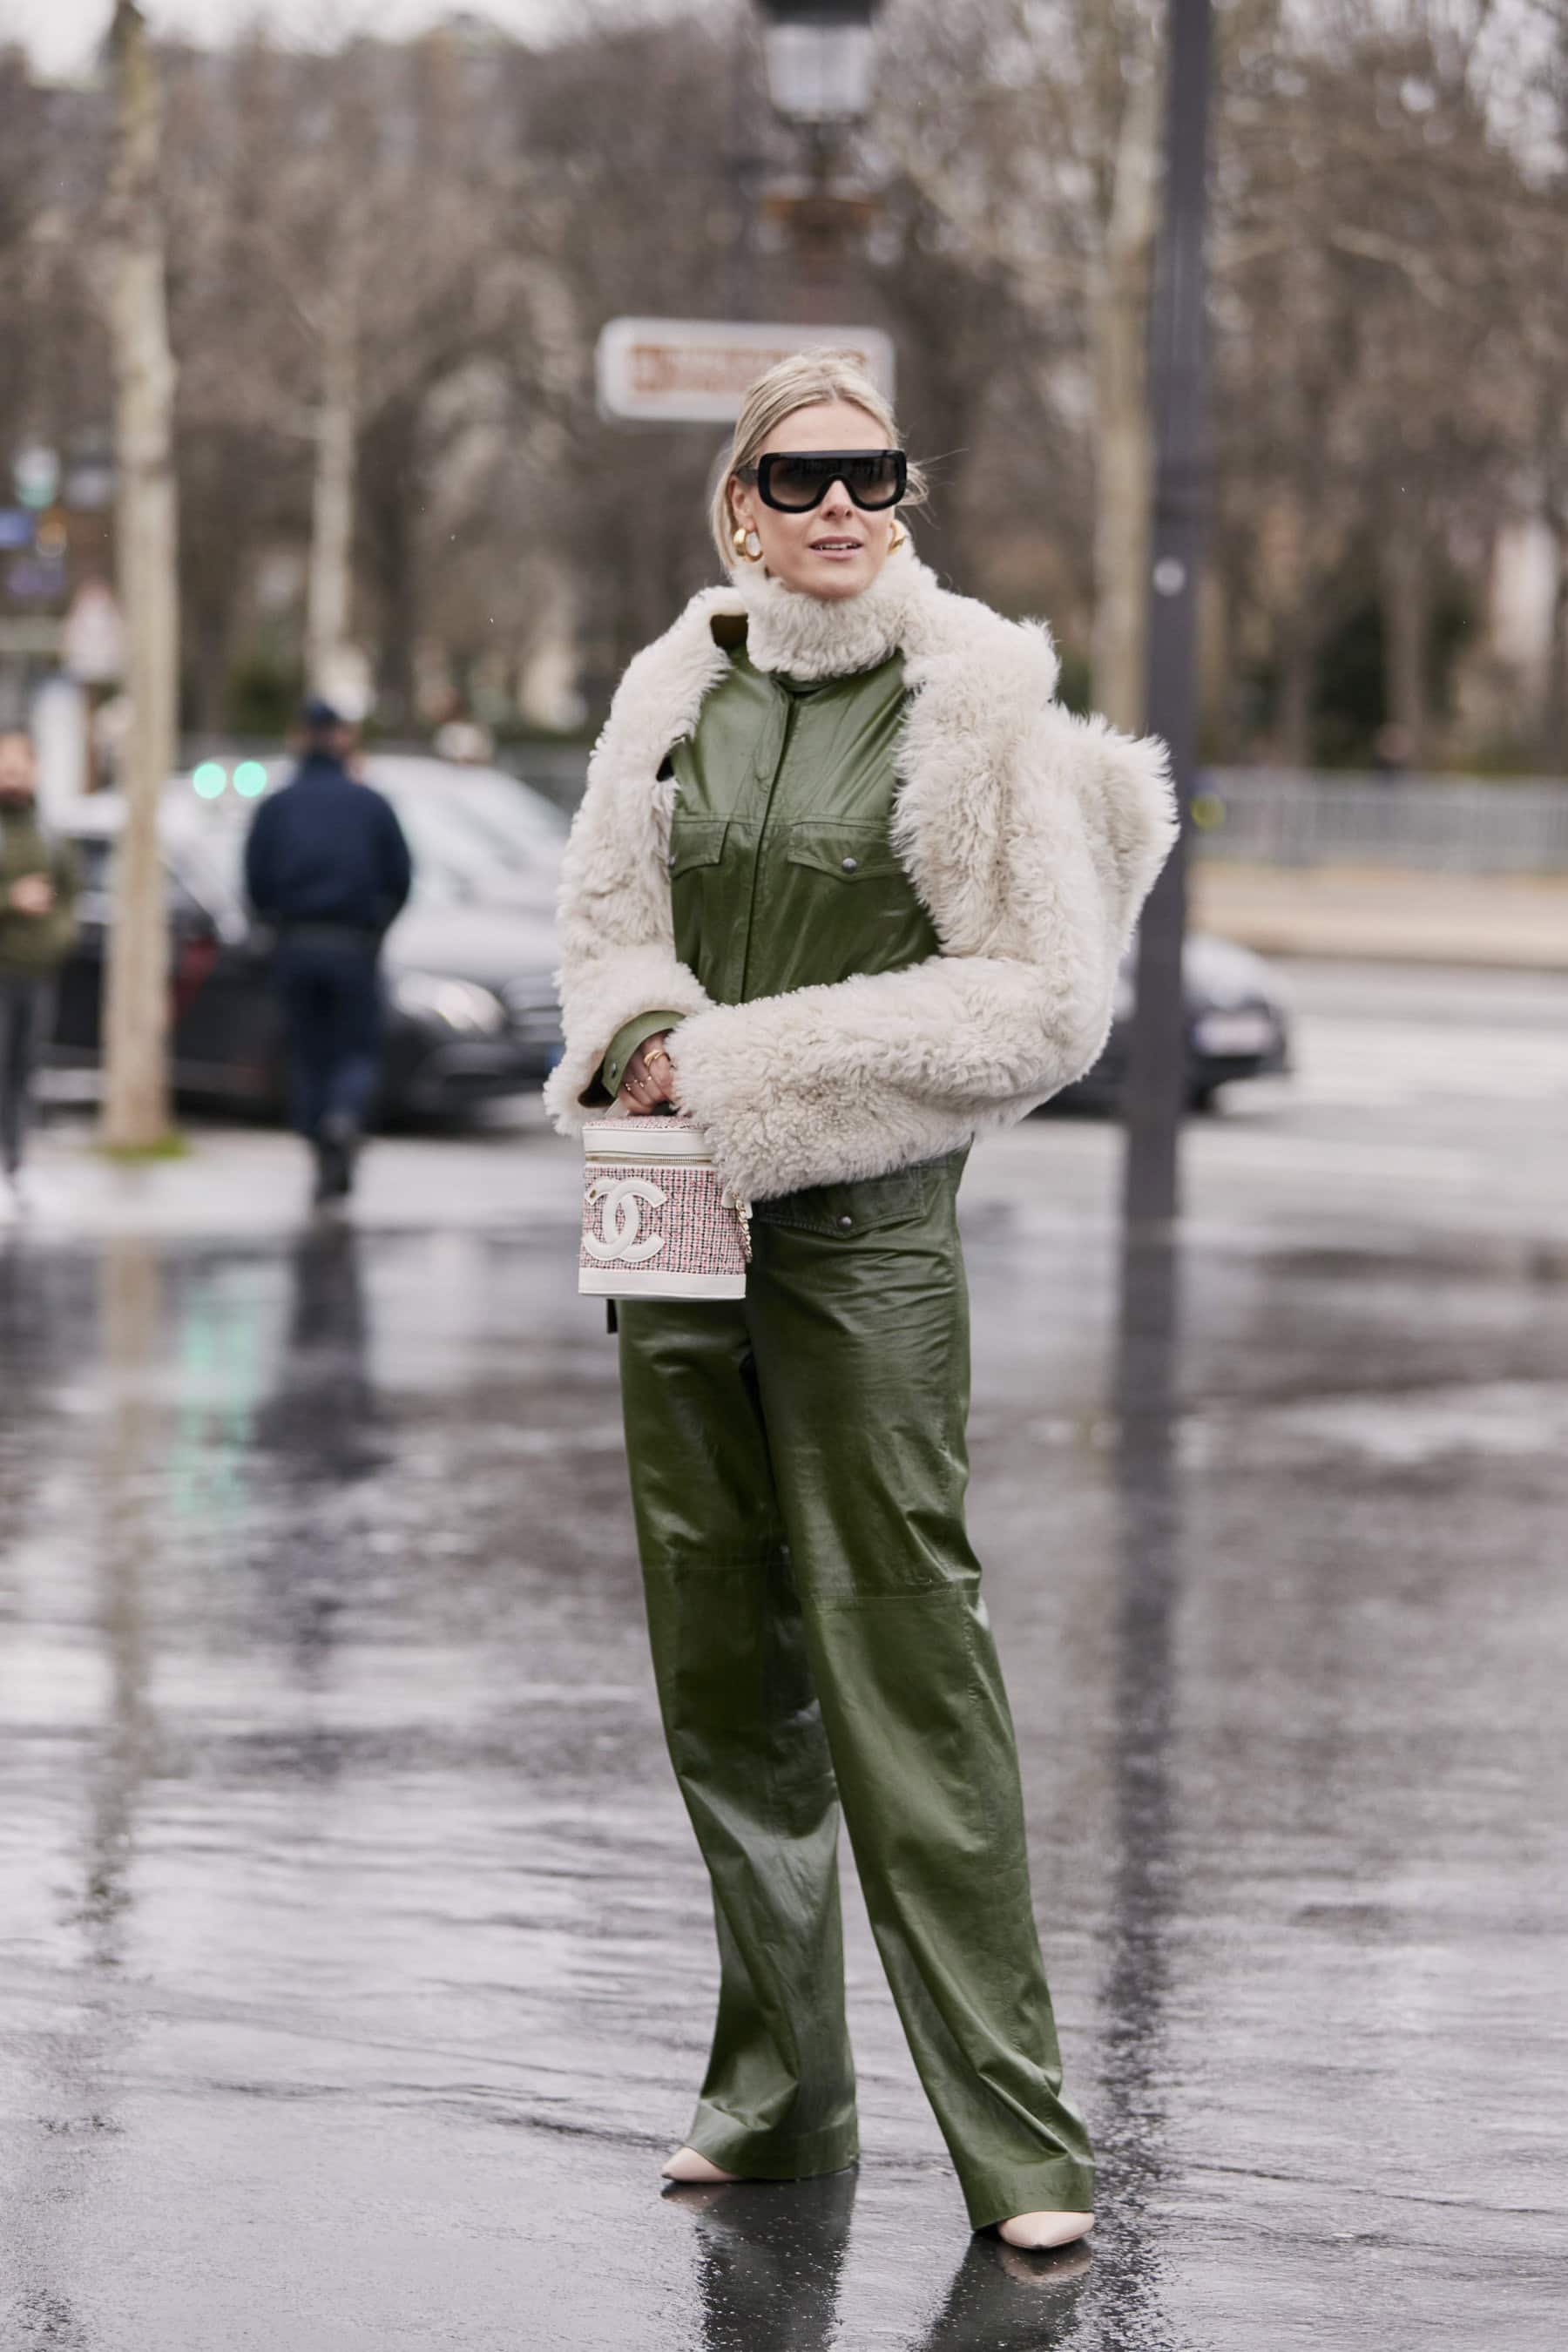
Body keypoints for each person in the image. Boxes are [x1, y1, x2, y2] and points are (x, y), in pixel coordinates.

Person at [544, 352, 1177, 2251]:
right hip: (674, 1241)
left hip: (868, 1245)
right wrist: (641, 1033)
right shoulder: (673, 687)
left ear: (904, 500)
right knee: (722, 1668)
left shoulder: (976, 698)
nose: (839, 510)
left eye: (874, 478)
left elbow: (1042, 1005)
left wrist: (735, 1074)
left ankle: (1024, 2147)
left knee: (908, 1674)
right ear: (738, 505)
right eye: (801, 480)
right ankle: (778, 2096)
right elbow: (602, 925)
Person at [243, 700, 412, 1206]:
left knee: (308, 1052)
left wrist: (277, 928)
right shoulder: (371, 805)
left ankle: (321, 1142)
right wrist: (374, 929)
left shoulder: (277, 807)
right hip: (352, 946)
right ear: (342, 739)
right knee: (355, 1049)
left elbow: (254, 881)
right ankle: (344, 1116)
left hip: (296, 944)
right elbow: (400, 878)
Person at [0, 727, 78, 1216]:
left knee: (25, 1073)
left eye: (19, 766)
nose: (13, 775)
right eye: (5, 766)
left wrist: (57, 939)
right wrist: (10, 901)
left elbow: (70, 893)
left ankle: (17, 1167)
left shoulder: (49, 833)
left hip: (36, 972)